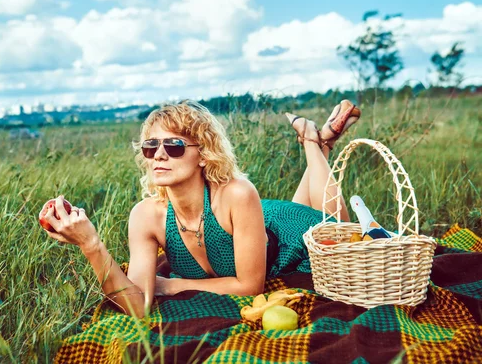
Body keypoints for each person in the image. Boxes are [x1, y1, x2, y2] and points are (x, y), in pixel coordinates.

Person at [40, 100, 361, 317]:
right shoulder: (145, 215)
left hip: (289, 235)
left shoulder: (237, 192)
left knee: (341, 231)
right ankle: (323, 141)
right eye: (152, 146)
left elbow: (249, 288)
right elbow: (138, 306)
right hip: (257, 228)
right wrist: (90, 244)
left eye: (174, 146)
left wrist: (172, 285)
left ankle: (311, 142)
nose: (160, 155)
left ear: (204, 154)